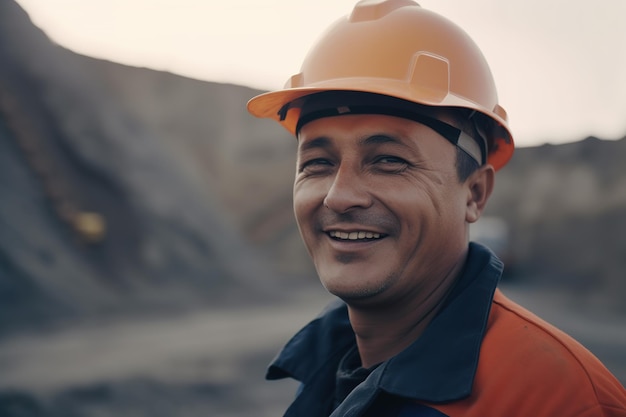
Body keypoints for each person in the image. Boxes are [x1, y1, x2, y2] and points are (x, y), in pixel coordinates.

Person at [246, 1, 626, 416]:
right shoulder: (329, 369)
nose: (339, 196)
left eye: (389, 161)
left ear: (475, 193)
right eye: (318, 163)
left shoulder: (562, 401)